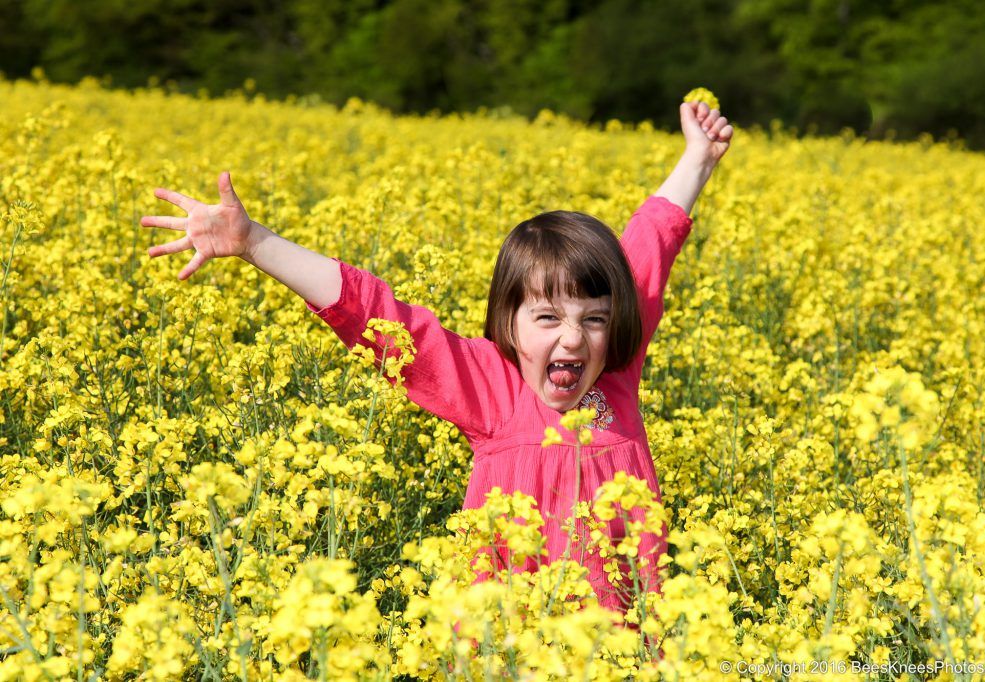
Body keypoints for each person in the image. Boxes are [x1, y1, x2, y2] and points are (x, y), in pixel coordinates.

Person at [143, 101, 732, 627]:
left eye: (595, 320)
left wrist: (698, 158)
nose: (575, 339)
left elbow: (649, 246)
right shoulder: (489, 386)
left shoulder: (617, 379)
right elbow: (375, 313)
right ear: (508, 324)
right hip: (510, 654)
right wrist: (254, 241)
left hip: (619, 656)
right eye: (548, 318)